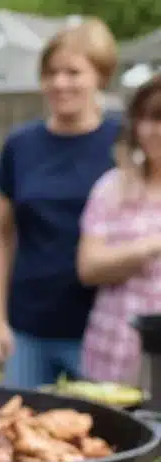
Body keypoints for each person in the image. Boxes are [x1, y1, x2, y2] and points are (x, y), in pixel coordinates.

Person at [0, 19, 122, 389]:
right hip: (29, 328)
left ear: (101, 76)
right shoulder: (21, 145)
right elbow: (1, 236)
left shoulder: (124, 144)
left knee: (103, 439)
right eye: (50, 73)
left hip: (102, 329)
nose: (60, 83)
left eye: (73, 72)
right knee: (18, 435)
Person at [77, 74, 161, 387]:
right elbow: (89, 267)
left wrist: (120, 258)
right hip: (112, 352)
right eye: (149, 118)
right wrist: (151, 245)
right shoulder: (112, 187)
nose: (155, 130)